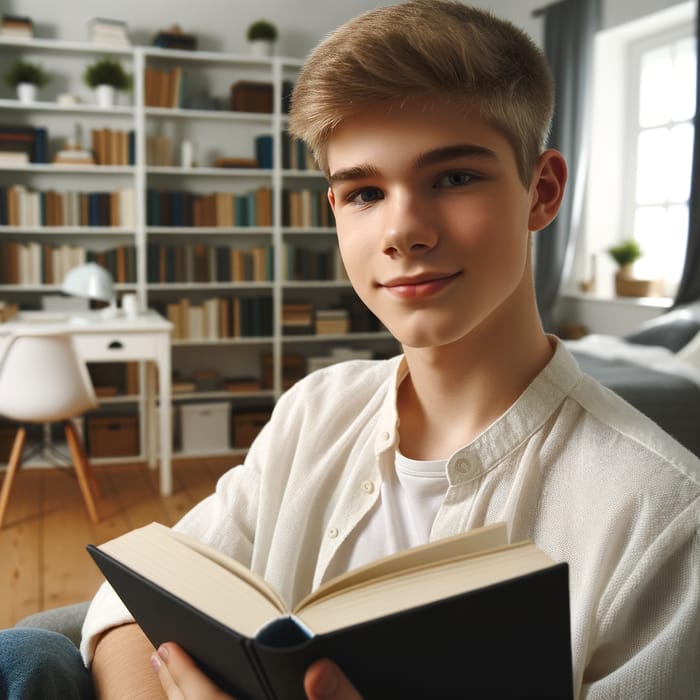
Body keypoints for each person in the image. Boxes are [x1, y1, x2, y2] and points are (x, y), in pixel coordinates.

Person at [1, 1, 697, 698]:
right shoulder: (315, 408)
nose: (403, 231)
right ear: (334, 211)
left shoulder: (660, 516)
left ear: (541, 192)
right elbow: (130, 604)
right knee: (26, 657)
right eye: (364, 191)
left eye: (453, 178)